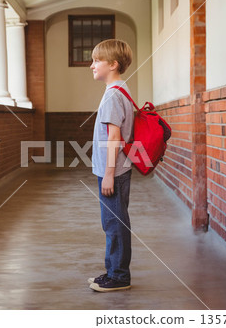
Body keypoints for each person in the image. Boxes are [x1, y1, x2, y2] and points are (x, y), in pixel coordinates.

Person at [88, 39, 135, 292]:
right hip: (116, 170)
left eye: (97, 60)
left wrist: (108, 175)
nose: (92, 65)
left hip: (113, 172)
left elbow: (114, 137)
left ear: (113, 64)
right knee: (112, 223)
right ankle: (112, 271)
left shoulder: (113, 95)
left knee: (115, 223)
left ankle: (119, 276)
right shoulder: (118, 90)